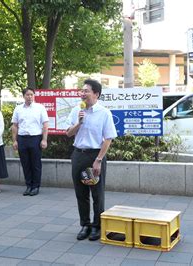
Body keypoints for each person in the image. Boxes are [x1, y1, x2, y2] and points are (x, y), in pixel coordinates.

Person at [66, 79, 117, 241]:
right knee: (81, 193)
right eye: (82, 91)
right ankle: (85, 225)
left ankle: (97, 226)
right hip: (78, 154)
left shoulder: (104, 113)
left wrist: (99, 160)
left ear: (96, 94)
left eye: (86, 91)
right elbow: (68, 133)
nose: (83, 93)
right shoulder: (76, 110)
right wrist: (79, 123)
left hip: (95, 155)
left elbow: (108, 138)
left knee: (97, 193)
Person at [11, 88, 49, 196]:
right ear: (23, 96)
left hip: (35, 138)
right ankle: (28, 185)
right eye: (27, 95)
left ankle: (35, 186)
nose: (30, 97)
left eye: (32, 94)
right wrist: (14, 141)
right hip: (22, 138)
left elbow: (45, 124)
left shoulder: (40, 108)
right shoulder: (18, 109)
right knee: (25, 163)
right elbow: (14, 125)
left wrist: (44, 139)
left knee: (36, 164)